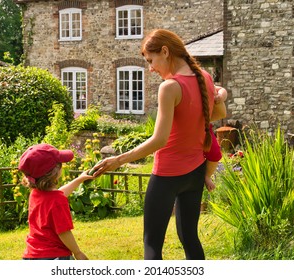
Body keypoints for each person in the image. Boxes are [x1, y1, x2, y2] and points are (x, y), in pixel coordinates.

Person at [92, 29, 224, 260]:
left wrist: (118, 159)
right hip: (195, 173)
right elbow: (212, 115)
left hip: (166, 176)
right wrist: (222, 94)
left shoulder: (170, 87)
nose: (151, 68)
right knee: (190, 238)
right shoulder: (205, 77)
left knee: (152, 243)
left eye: (151, 61)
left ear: (165, 51)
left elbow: (159, 140)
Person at [18, 143, 93, 260]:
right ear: (54, 172)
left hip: (31, 256)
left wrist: (79, 180)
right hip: (55, 256)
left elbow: (58, 194)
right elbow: (63, 232)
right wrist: (77, 252)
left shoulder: (35, 193)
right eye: (60, 164)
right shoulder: (57, 200)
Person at [204, 85, 228, 191]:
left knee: (215, 154)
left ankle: (206, 176)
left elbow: (222, 90)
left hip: (204, 126)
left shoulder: (202, 79)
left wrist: (220, 97)